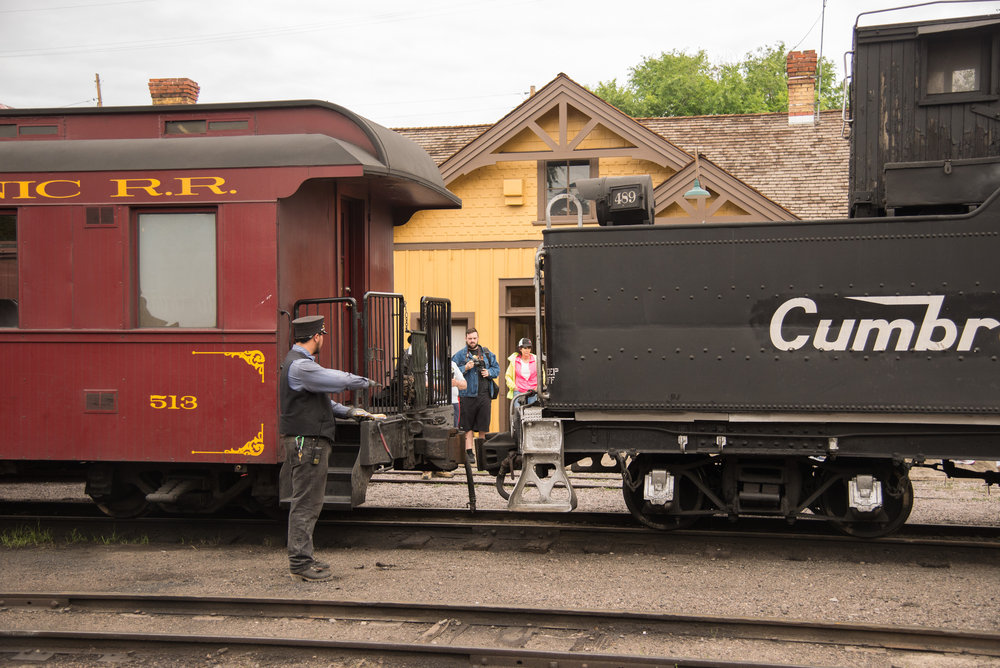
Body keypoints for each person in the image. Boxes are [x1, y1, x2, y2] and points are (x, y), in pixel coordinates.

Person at [280, 315, 382, 582]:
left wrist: (352, 411)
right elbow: (336, 380)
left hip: (309, 443)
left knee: (309, 503)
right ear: (317, 337)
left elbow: (326, 404)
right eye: (322, 335)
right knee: (306, 504)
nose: (322, 339)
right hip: (308, 443)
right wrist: (364, 381)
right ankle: (300, 564)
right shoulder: (301, 366)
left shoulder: (299, 365)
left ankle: (304, 558)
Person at [452, 328, 499, 464]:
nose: (472, 341)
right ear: (466, 339)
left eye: (474, 338)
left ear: (478, 338)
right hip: (466, 394)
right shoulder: (460, 355)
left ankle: (482, 452)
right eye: (470, 338)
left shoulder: (487, 353)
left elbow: (497, 369)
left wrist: (489, 372)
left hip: (484, 394)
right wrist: (465, 368)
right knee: (468, 426)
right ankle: (469, 453)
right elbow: (452, 371)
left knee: (483, 426)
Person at [505, 337, 539, 401]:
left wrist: (537, 387)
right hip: (518, 392)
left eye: (529, 348)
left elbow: (542, 375)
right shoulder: (514, 360)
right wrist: (514, 387)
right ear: (520, 348)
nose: (527, 350)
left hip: (533, 392)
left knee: (532, 410)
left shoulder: (536, 359)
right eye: (525, 348)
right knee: (517, 411)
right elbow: (508, 376)